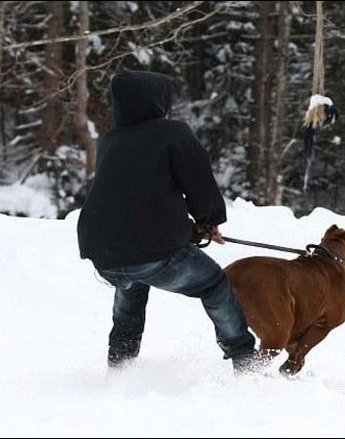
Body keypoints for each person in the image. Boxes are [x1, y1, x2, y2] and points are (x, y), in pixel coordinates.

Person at [77, 70, 259, 374]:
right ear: (158, 101)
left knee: (132, 285)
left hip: (103, 253)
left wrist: (189, 229)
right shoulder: (172, 133)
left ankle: (120, 369)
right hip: (150, 249)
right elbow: (198, 179)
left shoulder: (111, 141)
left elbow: (134, 200)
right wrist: (209, 220)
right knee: (214, 284)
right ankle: (244, 359)